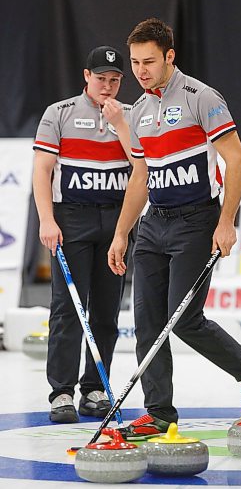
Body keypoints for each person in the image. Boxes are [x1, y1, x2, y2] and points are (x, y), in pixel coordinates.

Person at [107, 18, 241, 440]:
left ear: (170, 56)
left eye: (149, 61)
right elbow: (141, 175)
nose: (140, 70)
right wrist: (121, 232)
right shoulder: (141, 110)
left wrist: (226, 222)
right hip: (153, 227)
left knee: (184, 320)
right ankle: (159, 412)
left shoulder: (201, 97)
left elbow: (235, 160)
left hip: (196, 222)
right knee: (147, 322)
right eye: (134, 62)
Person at [33, 45, 133, 423]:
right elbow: (42, 170)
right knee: (67, 308)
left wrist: (121, 123)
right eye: (101, 79)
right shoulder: (59, 113)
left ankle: (94, 388)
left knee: (106, 311)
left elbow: (141, 163)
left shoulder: (132, 114)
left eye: (114, 80)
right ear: (86, 77)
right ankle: (61, 392)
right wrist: (47, 219)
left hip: (117, 221)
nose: (107, 87)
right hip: (71, 219)